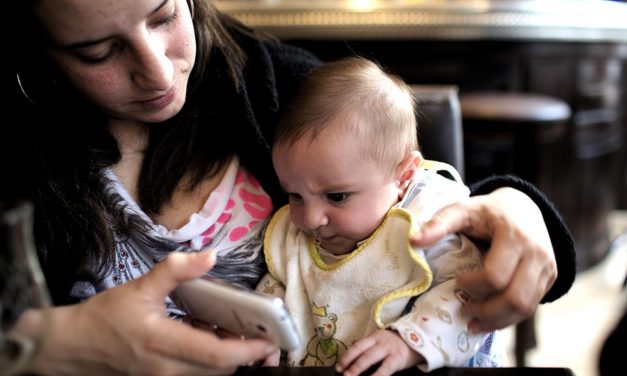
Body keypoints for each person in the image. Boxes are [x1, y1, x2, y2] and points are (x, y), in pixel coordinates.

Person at [7, 0, 574, 374]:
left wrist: (515, 206)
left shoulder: (276, 84)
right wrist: (41, 347)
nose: (157, 73)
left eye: (162, 16)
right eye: (97, 51)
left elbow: (415, 192)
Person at [256, 57, 500, 375]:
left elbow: (468, 291)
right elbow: (280, 284)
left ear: (403, 176)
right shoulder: (294, 233)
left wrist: (411, 341)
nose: (311, 218)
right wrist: (264, 327)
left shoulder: (429, 219)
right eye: (295, 195)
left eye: (337, 196)